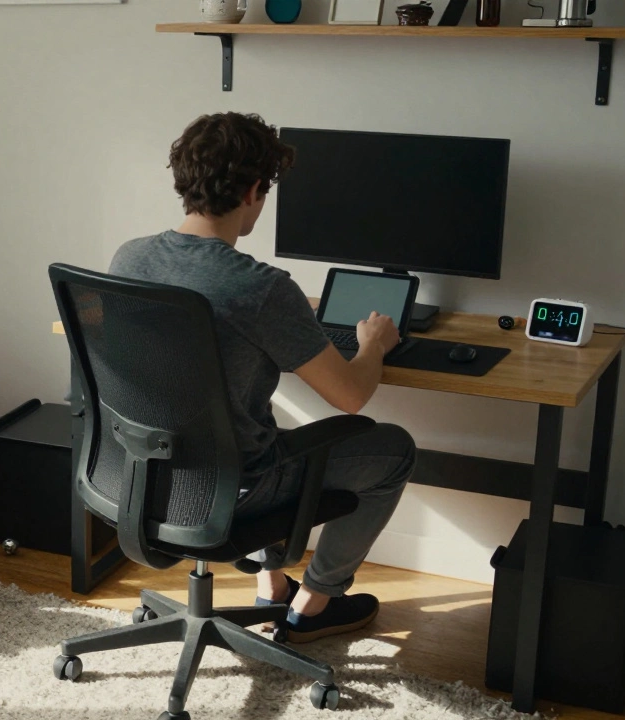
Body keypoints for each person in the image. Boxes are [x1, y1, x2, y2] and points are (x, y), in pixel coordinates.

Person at [108, 113, 415, 643]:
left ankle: (272, 588)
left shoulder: (127, 258)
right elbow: (350, 395)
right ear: (254, 191)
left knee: (250, 422)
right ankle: (314, 605)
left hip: (138, 476)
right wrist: (372, 346)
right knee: (394, 450)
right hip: (234, 490)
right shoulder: (261, 289)